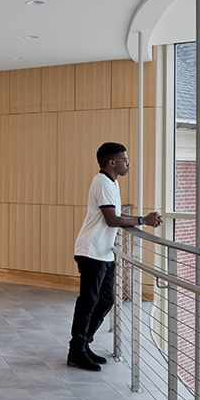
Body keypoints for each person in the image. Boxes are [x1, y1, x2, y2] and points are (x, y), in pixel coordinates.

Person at [67, 142, 163, 372]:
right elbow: (112, 220)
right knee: (88, 302)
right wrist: (143, 220)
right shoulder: (101, 181)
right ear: (112, 162)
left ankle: (83, 344)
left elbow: (117, 215)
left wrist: (141, 218)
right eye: (124, 159)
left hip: (104, 252)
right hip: (91, 251)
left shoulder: (111, 182)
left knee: (106, 301)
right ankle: (76, 351)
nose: (128, 163)